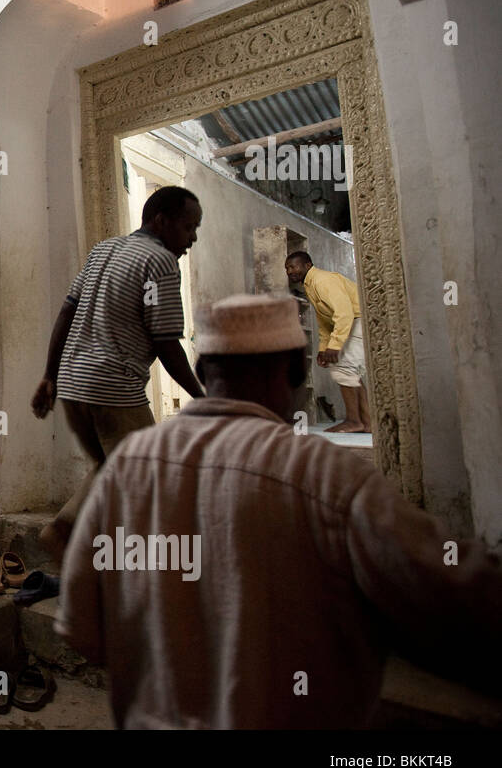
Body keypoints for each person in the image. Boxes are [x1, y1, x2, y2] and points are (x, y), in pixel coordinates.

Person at [57, 293, 502, 728]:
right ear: (294, 370)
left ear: (199, 372)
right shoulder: (324, 476)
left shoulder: (127, 465)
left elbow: (84, 629)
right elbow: (456, 595)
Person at [31, 185, 204, 561]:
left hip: (75, 386)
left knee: (115, 468)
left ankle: (75, 542)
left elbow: (67, 311)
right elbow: (165, 342)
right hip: (112, 388)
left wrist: (50, 374)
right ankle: (73, 537)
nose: (192, 238)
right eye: (189, 227)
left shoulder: (104, 249)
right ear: (161, 220)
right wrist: (202, 396)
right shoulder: (160, 262)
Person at [284, 250, 370, 433]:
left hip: (359, 319)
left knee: (343, 369)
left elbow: (344, 312)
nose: (290, 271)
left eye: (293, 266)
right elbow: (324, 322)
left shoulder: (323, 281)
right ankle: (368, 423)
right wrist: (324, 348)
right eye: (287, 268)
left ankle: (354, 421)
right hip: (353, 321)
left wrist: (335, 345)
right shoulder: (310, 286)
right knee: (351, 372)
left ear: (308, 265)